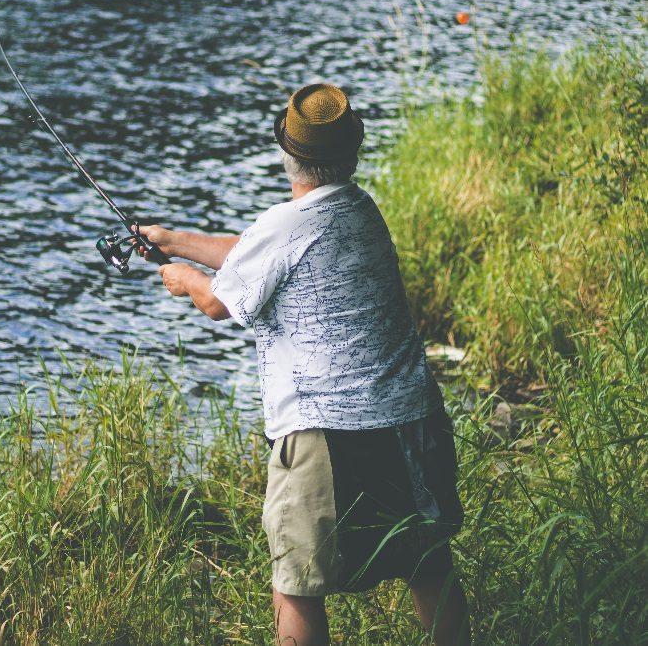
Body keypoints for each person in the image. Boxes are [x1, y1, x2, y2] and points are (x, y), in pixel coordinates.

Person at [138, 84, 471, 646]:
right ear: (352, 151)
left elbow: (219, 302)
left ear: (285, 153)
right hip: (410, 419)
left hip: (327, 433)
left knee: (296, 585)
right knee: (427, 562)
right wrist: (174, 240)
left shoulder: (286, 223)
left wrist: (183, 278)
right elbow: (256, 249)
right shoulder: (361, 209)